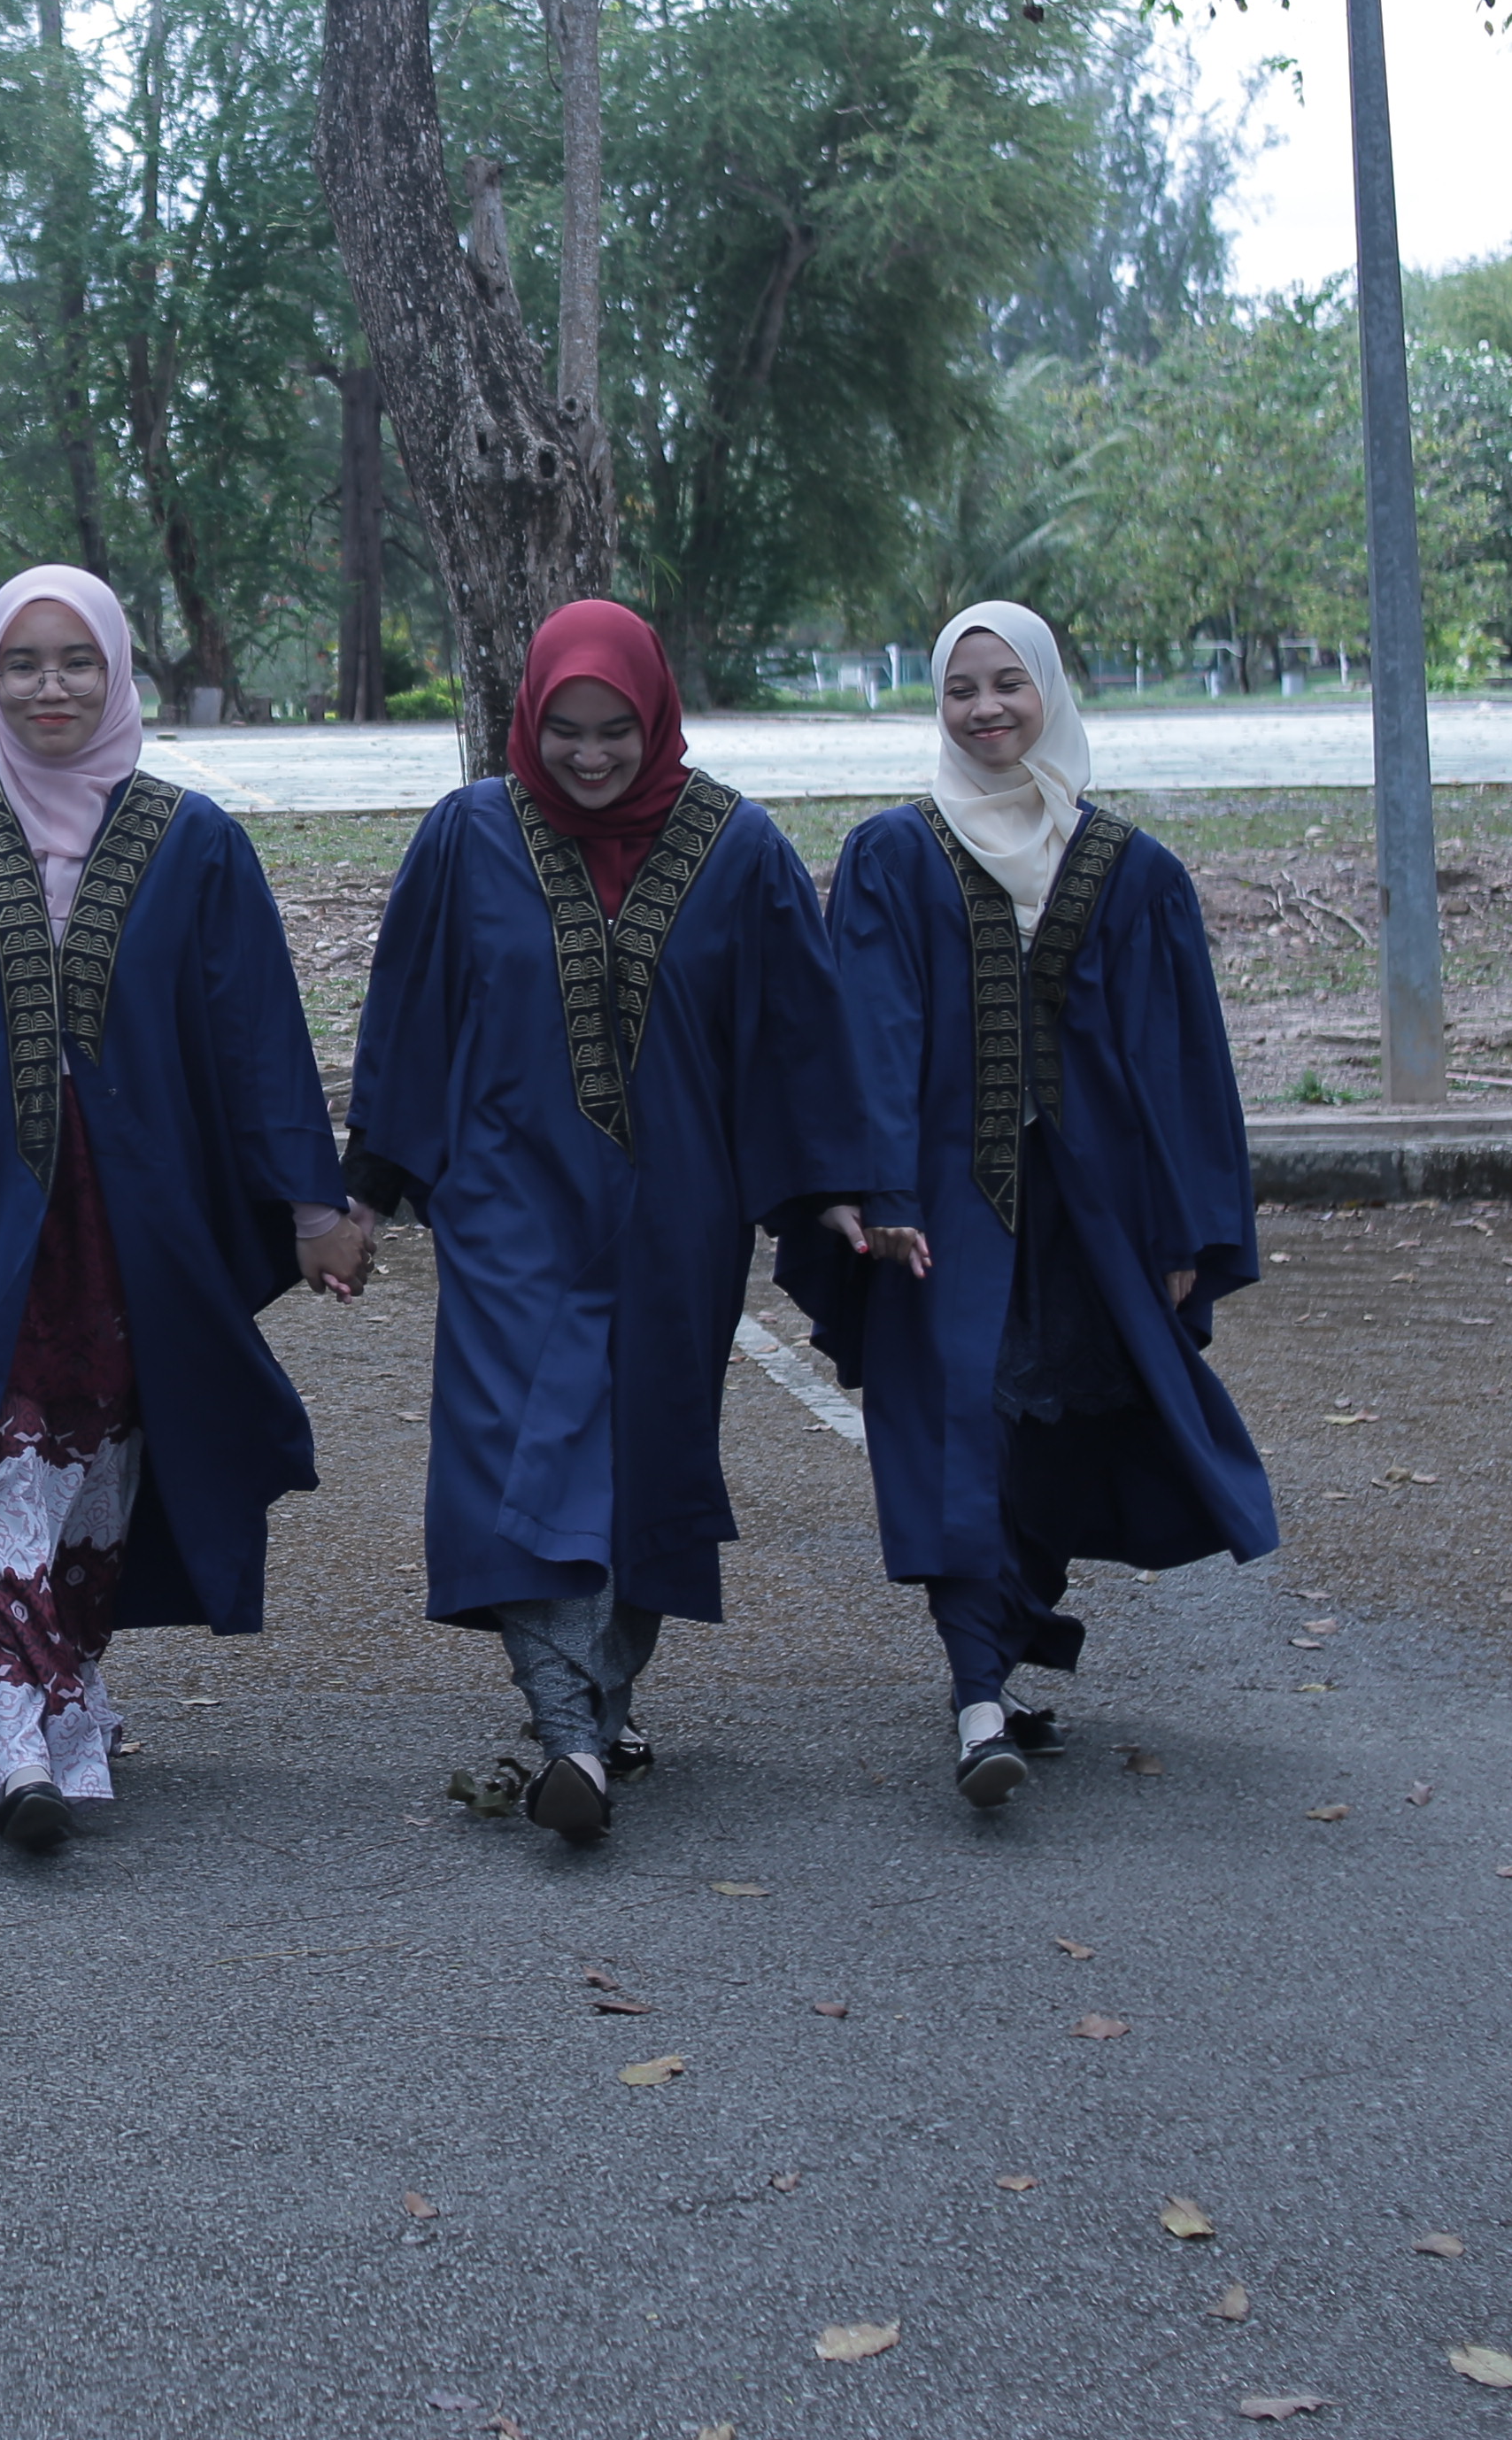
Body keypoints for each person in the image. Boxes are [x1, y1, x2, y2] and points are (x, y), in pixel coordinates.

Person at [0, 566, 366, 1851]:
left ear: (116, 672)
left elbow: (259, 1041)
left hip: (136, 1226)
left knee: (100, 1467)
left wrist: (311, 1201)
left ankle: (71, 1687)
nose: (48, 687)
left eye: (76, 662)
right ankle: (11, 1738)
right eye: (21, 664)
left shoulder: (196, 841)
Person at [343, 600, 878, 1849]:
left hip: (679, 1210)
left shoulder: (740, 849)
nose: (589, 756)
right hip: (507, 1200)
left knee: (643, 1453)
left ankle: (601, 1710)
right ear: (529, 717)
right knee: (515, 1452)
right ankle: (566, 1730)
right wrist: (364, 1189)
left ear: (657, 719)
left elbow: (796, 1037)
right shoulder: (468, 836)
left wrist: (833, 1185)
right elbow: (409, 1018)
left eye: (615, 732)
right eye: (566, 731)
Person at [776, 603, 1275, 1806]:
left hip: (1100, 1223)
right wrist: (877, 1189)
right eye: (962, 689)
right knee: (957, 1427)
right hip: (944, 1211)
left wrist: (1188, 1232)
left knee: (1060, 1435)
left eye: (1009, 683)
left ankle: (1002, 1652)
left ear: (1050, 690)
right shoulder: (897, 857)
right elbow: (869, 1035)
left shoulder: (1135, 871)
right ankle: (977, 1699)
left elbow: (1184, 1069)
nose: (986, 708)